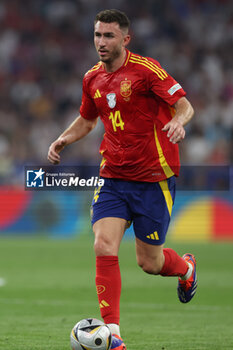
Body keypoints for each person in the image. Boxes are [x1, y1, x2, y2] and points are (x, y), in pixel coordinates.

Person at [48, 9, 196, 349]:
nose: (101, 42)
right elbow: (87, 120)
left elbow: (185, 105)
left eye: (109, 36)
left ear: (125, 39)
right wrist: (63, 139)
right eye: (98, 35)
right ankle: (112, 334)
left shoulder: (146, 71)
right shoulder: (91, 78)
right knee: (102, 244)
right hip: (113, 175)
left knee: (150, 262)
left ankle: (185, 268)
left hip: (153, 178)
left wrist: (180, 122)